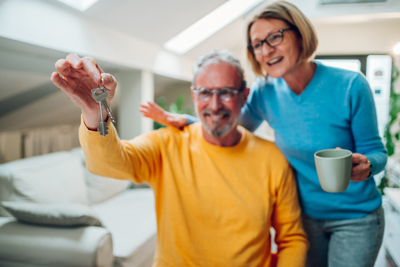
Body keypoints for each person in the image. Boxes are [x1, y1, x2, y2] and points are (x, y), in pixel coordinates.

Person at [140, 1, 387, 267]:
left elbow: (377, 151)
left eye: (275, 37)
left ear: (300, 33)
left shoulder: (351, 85)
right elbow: (233, 126)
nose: (266, 50)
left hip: (356, 217)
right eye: (257, 44)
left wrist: (368, 165)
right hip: (305, 218)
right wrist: (190, 121)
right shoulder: (264, 92)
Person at [51, 50, 308, 266]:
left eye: (226, 92)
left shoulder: (272, 158)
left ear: (244, 95)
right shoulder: (166, 144)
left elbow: (292, 239)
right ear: (194, 96)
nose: (215, 104)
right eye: (206, 92)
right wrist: (95, 112)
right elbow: (105, 163)